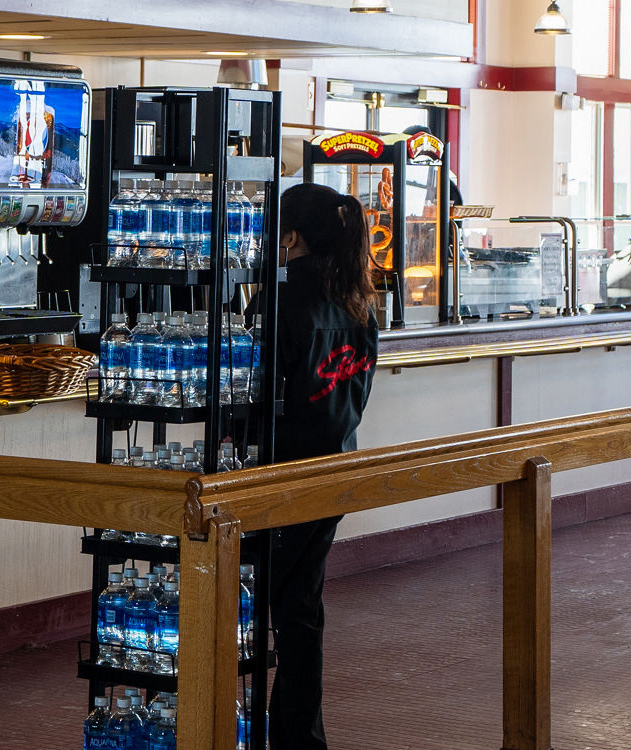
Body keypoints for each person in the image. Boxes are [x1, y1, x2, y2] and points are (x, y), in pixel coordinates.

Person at [265, 183, 382, 750]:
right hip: (335, 470)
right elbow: (357, 396)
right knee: (300, 608)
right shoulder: (357, 302)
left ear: (291, 237)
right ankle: (296, 736)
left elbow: (258, 397)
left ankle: (285, 735)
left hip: (280, 477)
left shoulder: (283, 303)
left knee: (272, 609)